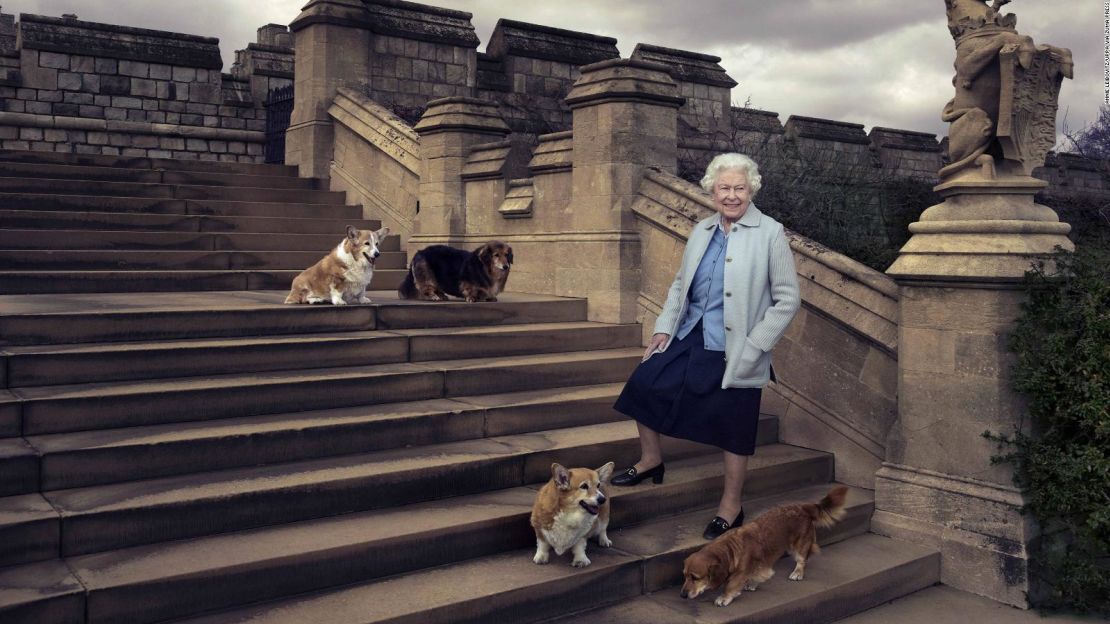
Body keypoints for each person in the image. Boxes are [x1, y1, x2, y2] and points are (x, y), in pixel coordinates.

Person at [611, 152, 800, 540]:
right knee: (644, 384)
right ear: (712, 190)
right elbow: (681, 285)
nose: (731, 196)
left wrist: (757, 345)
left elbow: (787, 298)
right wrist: (664, 328)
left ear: (751, 190)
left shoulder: (770, 233)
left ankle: (731, 506)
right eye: (724, 188)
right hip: (691, 332)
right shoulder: (701, 230)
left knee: (734, 425)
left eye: (739, 188)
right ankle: (650, 461)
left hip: (737, 345)